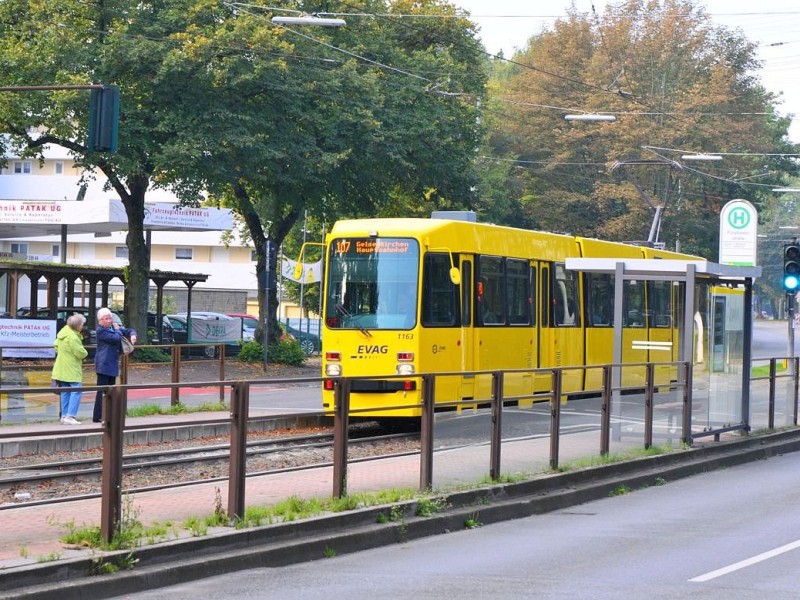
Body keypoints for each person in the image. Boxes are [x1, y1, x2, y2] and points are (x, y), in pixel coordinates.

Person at [93, 307, 137, 423]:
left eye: (110, 318)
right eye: (106, 319)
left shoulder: (113, 328)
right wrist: (117, 330)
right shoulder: (101, 331)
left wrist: (132, 335)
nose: (109, 321)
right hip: (103, 364)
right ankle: (98, 415)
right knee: (102, 391)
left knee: (111, 391)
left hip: (112, 364)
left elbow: (128, 330)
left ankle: (108, 414)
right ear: (100, 321)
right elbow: (115, 338)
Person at [52, 313, 88, 425]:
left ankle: (64, 416)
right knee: (76, 390)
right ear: (78, 326)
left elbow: (56, 346)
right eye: (82, 324)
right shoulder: (73, 337)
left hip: (61, 367)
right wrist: (85, 352)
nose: (82, 327)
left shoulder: (62, 333)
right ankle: (70, 415)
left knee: (65, 391)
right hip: (71, 367)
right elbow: (80, 353)